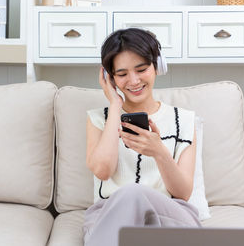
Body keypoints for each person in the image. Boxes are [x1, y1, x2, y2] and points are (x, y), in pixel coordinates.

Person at [83, 28, 201, 246]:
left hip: (170, 215)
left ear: (157, 66)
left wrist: (159, 152)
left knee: (134, 193)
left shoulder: (183, 119)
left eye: (141, 69)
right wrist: (115, 106)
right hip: (110, 216)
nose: (134, 81)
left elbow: (183, 193)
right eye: (122, 74)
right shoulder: (99, 119)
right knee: (130, 195)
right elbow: (103, 170)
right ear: (110, 78)